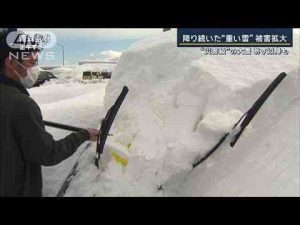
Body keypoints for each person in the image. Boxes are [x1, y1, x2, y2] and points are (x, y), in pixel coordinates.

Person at [0, 29, 99, 196]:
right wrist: (84, 135)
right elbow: (49, 154)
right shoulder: (20, 105)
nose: (34, 69)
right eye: (30, 63)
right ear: (10, 62)